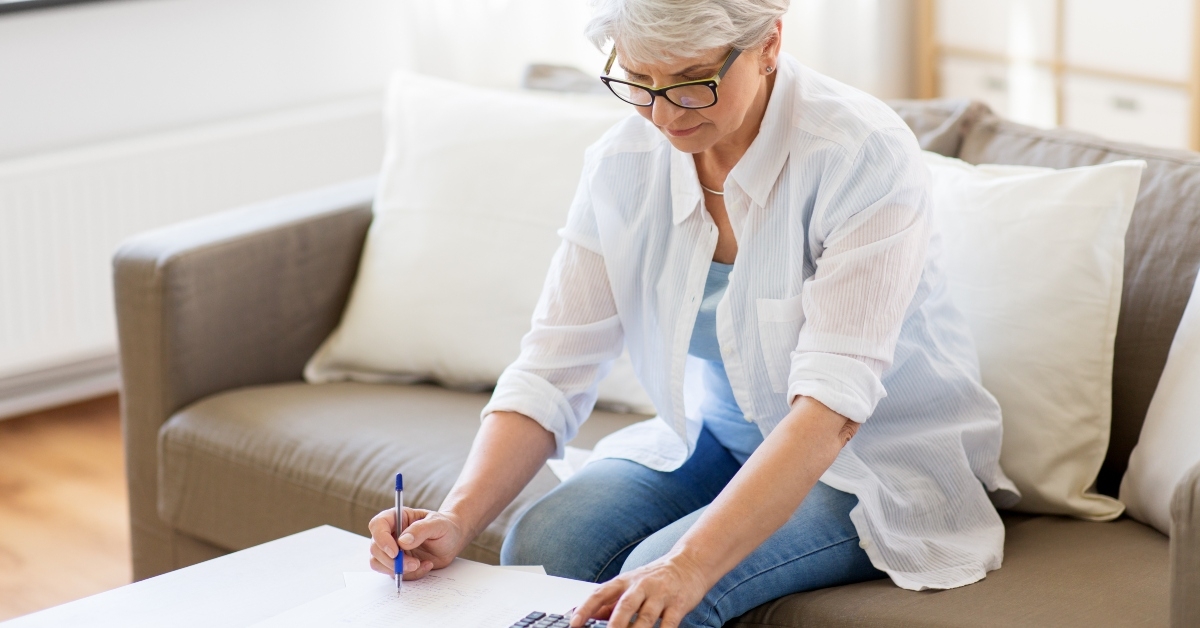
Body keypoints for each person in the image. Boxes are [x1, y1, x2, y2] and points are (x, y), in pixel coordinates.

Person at [368, 1, 1019, 626]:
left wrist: (685, 566)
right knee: (545, 541)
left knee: (653, 589)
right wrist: (454, 518)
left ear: (769, 44)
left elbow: (831, 407)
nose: (663, 113)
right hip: (723, 440)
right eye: (639, 79)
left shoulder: (858, 153)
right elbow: (551, 366)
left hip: (871, 465)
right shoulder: (624, 162)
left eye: (690, 82)